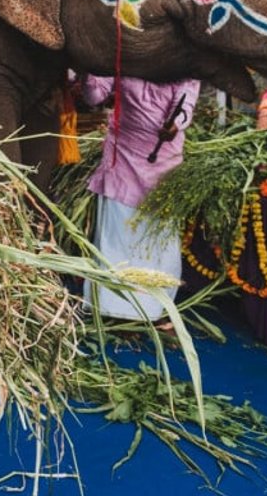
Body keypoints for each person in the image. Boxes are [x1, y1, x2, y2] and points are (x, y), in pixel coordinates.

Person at [81, 74, 201, 323]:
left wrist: (176, 123)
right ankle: (110, 308)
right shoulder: (125, 51)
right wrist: (88, 68)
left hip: (163, 163)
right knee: (118, 234)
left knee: (157, 238)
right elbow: (94, 95)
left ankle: (152, 309)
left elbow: (186, 100)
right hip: (123, 157)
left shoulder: (182, 61)